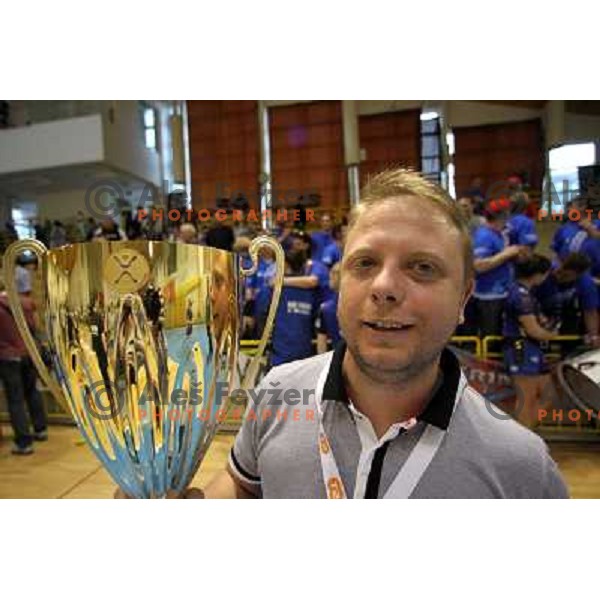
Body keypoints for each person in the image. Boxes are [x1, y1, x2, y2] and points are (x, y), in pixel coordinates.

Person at [132, 168, 567, 499]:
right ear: (341, 280)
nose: (384, 287)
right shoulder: (278, 393)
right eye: (365, 263)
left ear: (463, 299)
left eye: (423, 267)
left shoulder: (522, 466)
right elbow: (243, 486)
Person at [503, 254, 556, 428]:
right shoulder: (520, 296)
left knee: (548, 396)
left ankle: (525, 435)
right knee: (527, 398)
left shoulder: (526, 294)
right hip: (521, 348)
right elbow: (533, 330)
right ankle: (521, 444)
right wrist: (553, 335)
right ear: (538, 274)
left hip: (532, 349)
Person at [0, 273, 48, 455]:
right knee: (32, 392)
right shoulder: (26, 303)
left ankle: (23, 442)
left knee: (15, 400)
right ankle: (40, 429)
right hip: (28, 353)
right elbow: (35, 327)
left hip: (8, 357)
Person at [470, 199, 526, 337]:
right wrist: (506, 254)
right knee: (491, 335)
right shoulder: (484, 236)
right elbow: (479, 266)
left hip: (502, 291)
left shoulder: (500, 234)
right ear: (503, 216)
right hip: (489, 296)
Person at [534, 252, 600, 354]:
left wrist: (594, 336)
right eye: (559, 271)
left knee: (572, 321)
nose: (559, 276)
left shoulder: (585, 282)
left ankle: (566, 356)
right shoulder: (542, 271)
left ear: (578, 275)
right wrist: (540, 317)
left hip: (566, 310)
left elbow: (590, 312)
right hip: (535, 307)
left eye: (566, 275)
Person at [316, 263, 342, 353]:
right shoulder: (325, 309)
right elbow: (321, 343)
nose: (330, 276)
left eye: (335, 273)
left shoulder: (325, 309)